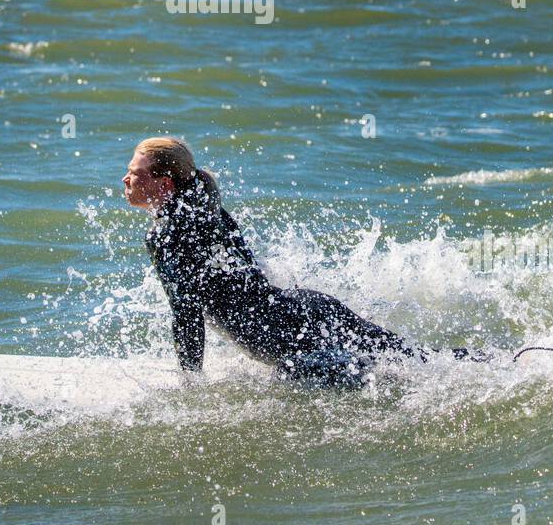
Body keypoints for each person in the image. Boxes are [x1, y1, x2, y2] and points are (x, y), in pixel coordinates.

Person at [124, 137, 485, 388]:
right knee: (413, 359)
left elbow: (186, 314)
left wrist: (191, 387)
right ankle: (495, 362)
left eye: (135, 173)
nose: (126, 179)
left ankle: (493, 368)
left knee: (386, 370)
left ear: (164, 184)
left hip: (292, 335)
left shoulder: (167, 234)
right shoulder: (211, 212)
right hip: (306, 311)